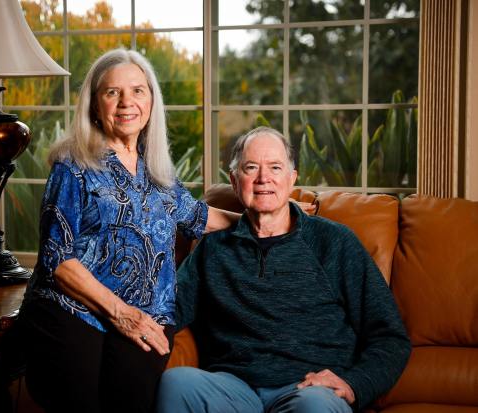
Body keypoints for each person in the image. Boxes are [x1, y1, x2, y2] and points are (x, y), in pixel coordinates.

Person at [17, 48, 244, 413]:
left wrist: (262, 215)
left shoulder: (159, 172)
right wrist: (121, 313)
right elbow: (57, 261)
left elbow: (197, 217)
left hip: (149, 314)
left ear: (151, 101)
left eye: (138, 90)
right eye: (112, 92)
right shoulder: (72, 166)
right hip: (75, 311)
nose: (127, 102)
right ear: (95, 104)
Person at [156, 127, 411, 413]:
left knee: (315, 407)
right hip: (233, 389)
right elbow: (168, 310)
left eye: (275, 167)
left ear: (292, 179)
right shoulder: (213, 248)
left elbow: (390, 337)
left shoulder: (335, 242)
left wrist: (354, 383)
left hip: (307, 390)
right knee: (176, 383)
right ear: (234, 180)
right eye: (251, 167)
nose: (264, 178)